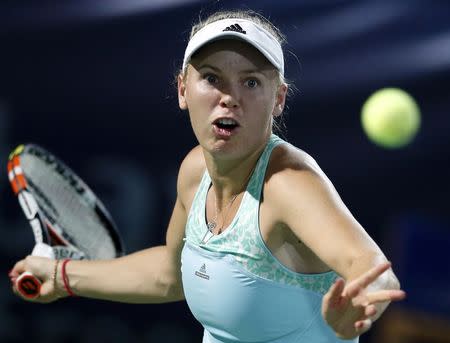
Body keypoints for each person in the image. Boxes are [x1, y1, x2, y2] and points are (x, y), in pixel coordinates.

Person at [10, 9, 405, 343]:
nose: (229, 96)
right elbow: (169, 274)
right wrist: (63, 276)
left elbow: (372, 268)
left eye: (251, 82)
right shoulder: (195, 170)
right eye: (212, 78)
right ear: (183, 90)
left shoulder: (288, 183)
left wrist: (362, 302)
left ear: (279, 99)